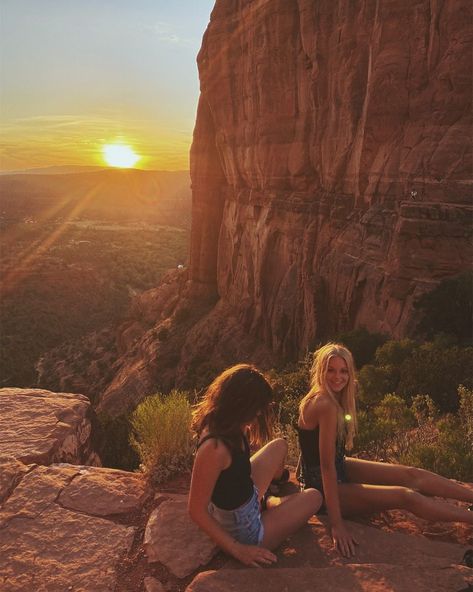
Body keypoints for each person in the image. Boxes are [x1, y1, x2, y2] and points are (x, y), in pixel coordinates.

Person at [297, 343, 473, 558]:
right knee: (405, 496)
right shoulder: (325, 404)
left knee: (412, 474)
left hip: (335, 466)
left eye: (343, 371)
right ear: (321, 371)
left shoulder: (328, 398)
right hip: (322, 489)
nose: (337, 377)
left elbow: (309, 448)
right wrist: (336, 524)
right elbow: (325, 466)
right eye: (331, 370)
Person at [188, 363, 322, 567]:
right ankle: (270, 501)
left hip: (246, 495)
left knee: (279, 446)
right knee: (315, 497)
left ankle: (268, 496)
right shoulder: (214, 448)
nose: (259, 413)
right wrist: (238, 549)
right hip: (244, 529)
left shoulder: (229, 422)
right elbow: (196, 510)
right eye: (256, 408)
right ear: (240, 404)